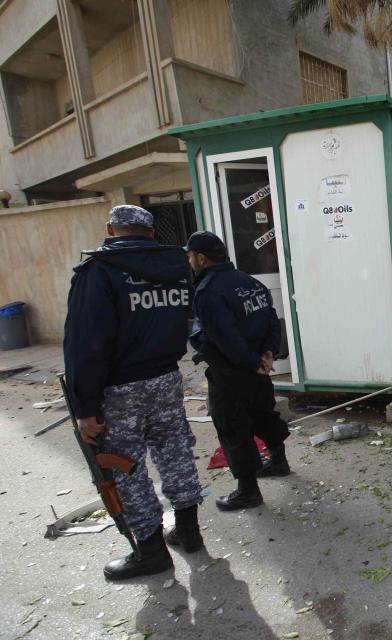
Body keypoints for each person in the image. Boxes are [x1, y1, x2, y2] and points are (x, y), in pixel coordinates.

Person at [63, 205, 204, 581]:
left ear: (111, 229)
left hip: (119, 387)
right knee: (175, 452)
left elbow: (84, 345)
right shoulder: (177, 268)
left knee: (125, 467)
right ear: (152, 234)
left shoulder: (99, 271)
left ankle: (151, 552)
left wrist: (84, 406)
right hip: (166, 378)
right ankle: (189, 533)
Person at [184, 230, 290, 511]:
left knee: (233, 428)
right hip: (258, 370)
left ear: (202, 258)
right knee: (264, 415)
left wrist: (254, 361)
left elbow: (225, 338)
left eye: (191, 256)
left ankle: (248, 490)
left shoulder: (208, 292)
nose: (189, 261)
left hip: (232, 373)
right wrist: (267, 354)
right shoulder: (250, 282)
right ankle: (279, 461)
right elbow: (272, 320)